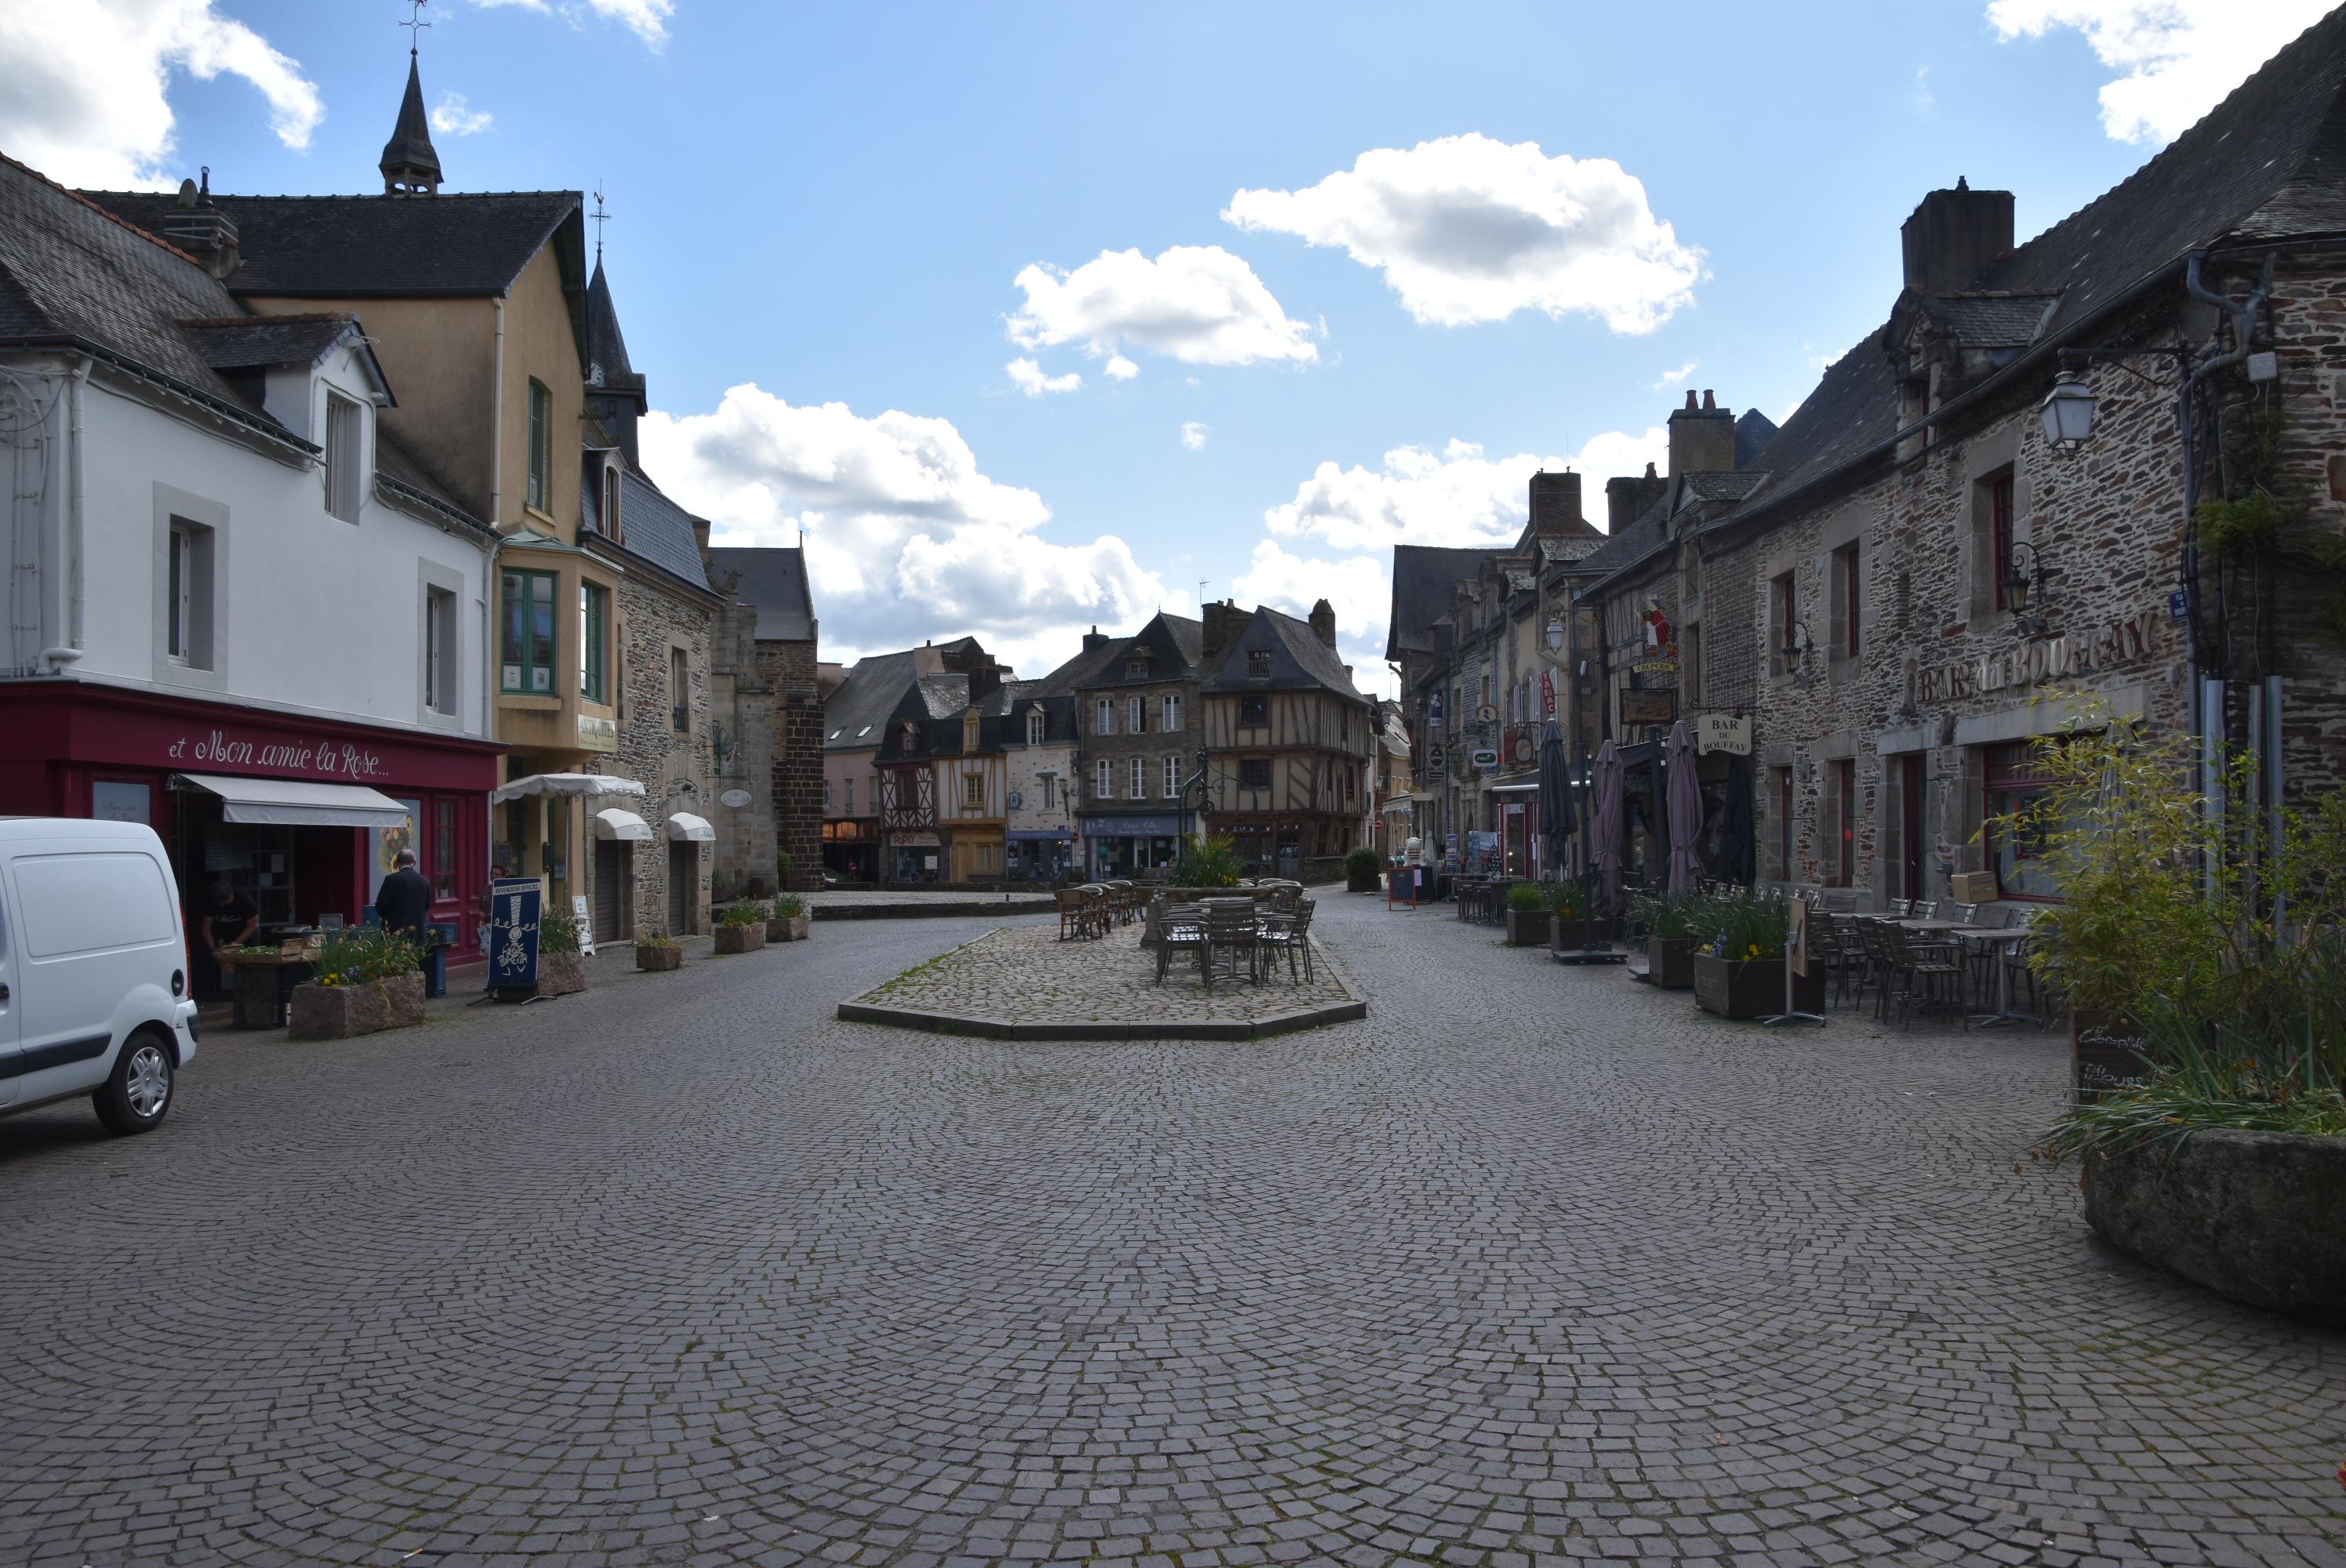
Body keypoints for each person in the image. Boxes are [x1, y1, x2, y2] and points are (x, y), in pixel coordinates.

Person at [198, 880, 258, 997]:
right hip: (220, 931)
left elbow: (253, 925)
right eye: (220, 904)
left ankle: (250, 996)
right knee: (204, 960)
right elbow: (206, 927)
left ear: (231, 895)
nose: (223, 906)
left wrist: (235, 944)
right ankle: (199, 997)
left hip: (244, 931)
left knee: (250, 961)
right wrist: (213, 949)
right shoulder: (210, 902)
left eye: (226, 902)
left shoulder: (244, 898)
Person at [375, 848, 433, 939]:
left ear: (397, 862)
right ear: (414, 863)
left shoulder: (392, 880)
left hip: (395, 932)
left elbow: (381, 905)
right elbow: (426, 906)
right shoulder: (425, 881)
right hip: (418, 934)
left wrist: (388, 918)